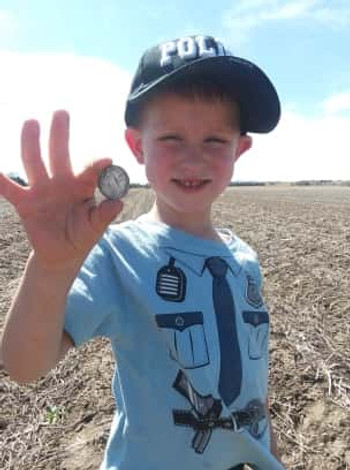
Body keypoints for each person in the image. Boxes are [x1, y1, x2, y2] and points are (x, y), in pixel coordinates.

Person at [0, 35, 284, 469]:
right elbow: (23, 364)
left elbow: (254, 379)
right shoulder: (118, 253)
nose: (193, 159)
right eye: (172, 138)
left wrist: (269, 453)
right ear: (137, 147)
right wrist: (51, 268)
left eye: (214, 140)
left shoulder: (243, 258)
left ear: (239, 149)